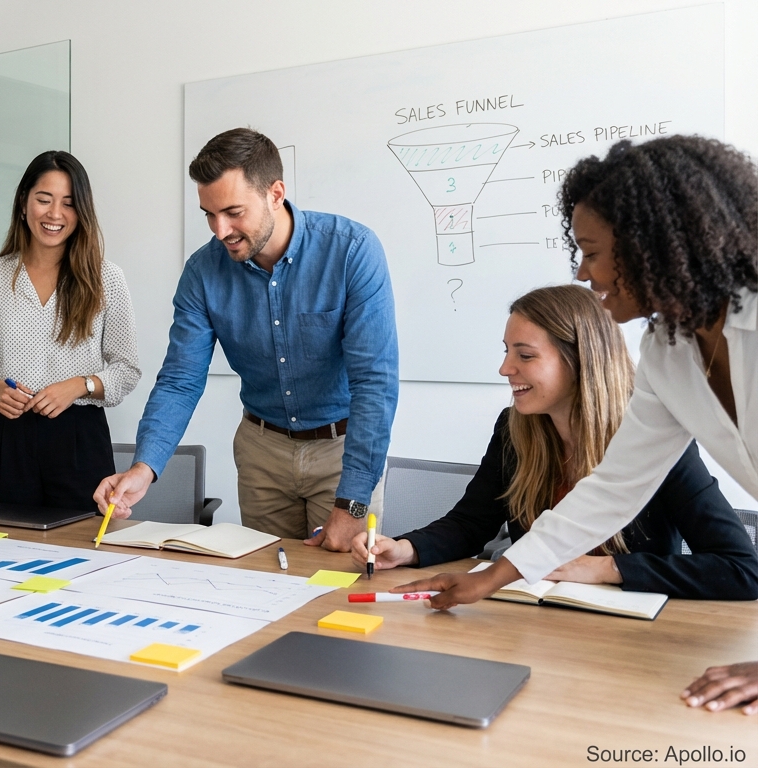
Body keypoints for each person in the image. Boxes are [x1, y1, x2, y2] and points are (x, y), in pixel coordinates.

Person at [389, 135, 758, 714]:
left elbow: (740, 567)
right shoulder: (669, 354)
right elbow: (613, 488)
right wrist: (492, 578)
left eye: (592, 250)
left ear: (652, 246)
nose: (583, 271)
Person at [350, 285, 758, 599]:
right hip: (534, 621)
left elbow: (743, 569)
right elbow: (472, 523)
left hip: (631, 636)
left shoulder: (656, 440)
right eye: (507, 351)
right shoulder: (514, 428)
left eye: (525, 356)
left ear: (581, 359)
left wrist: (605, 569)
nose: (505, 368)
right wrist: (406, 548)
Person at [93, 128, 398, 546]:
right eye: (209, 214)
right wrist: (144, 467)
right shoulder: (202, 273)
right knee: (264, 583)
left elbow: (374, 384)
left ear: (275, 193)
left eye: (234, 212)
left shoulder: (351, 251)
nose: (221, 230)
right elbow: (181, 380)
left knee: (338, 583)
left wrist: (352, 504)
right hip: (261, 452)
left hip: (342, 450)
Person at [0, 151, 140, 510]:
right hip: (7, 438)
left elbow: (126, 369)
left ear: (81, 212)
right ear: (24, 203)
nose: (55, 214)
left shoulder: (106, 279)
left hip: (79, 439)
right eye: (44, 199)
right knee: (4, 552)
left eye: (69, 203)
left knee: (82, 551)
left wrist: (78, 386)